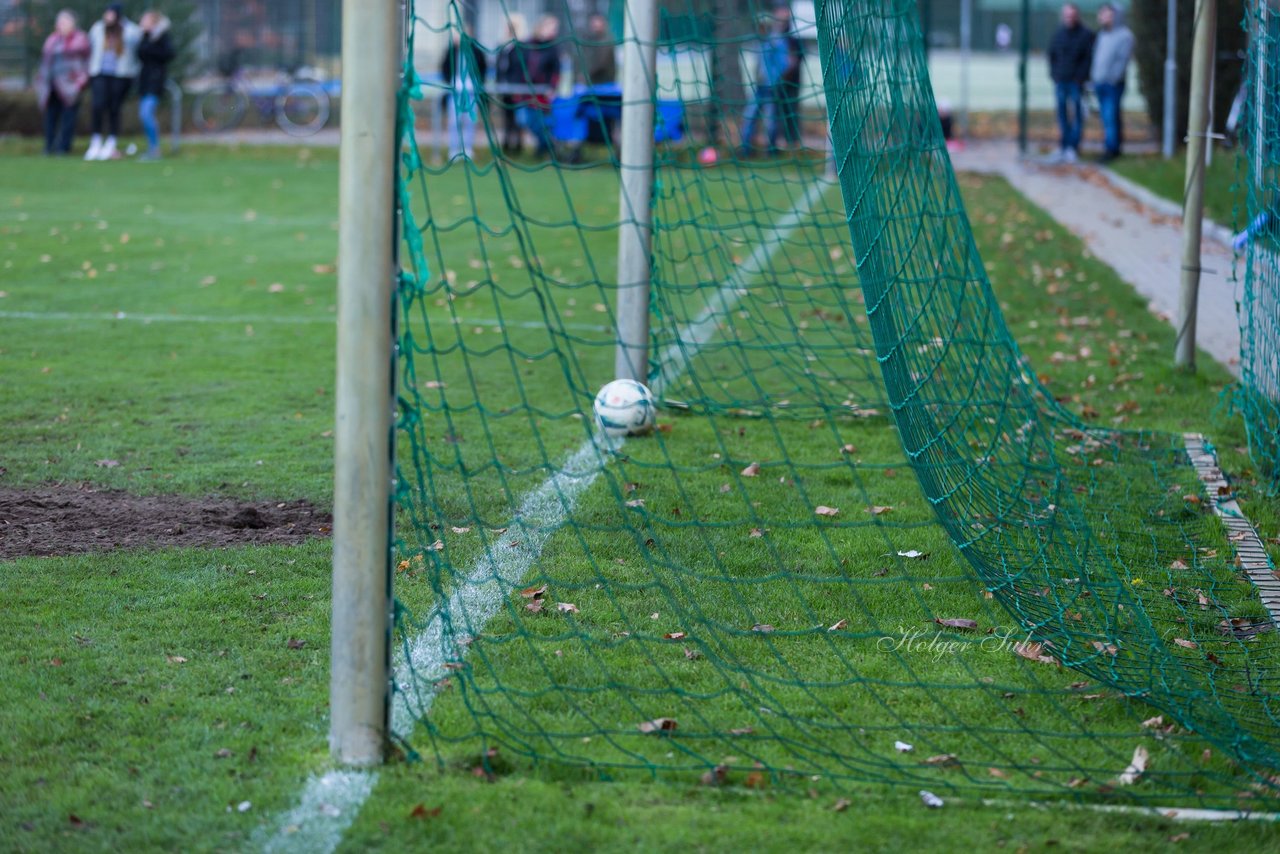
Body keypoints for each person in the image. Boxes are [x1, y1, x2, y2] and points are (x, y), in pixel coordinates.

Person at [85, 4, 142, 161]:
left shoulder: (129, 29)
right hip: (100, 73)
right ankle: (95, 142)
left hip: (121, 75)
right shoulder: (98, 28)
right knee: (97, 105)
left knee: (114, 108)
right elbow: (91, 46)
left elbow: (136, 42)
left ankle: (111, 142)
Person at [34, 10, 90, 156]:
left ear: (72, 23)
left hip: (71, 86)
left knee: (68, 118)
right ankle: (49, 146)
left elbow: (86, 63)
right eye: (59, 22)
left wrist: (80, 82)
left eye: (64, 22)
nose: (61, 25)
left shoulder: (80, 39)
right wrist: (41, 81)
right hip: (51, 86)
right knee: (50, 117)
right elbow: (45, 62)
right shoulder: (52, 40)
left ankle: (63, 148)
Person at [1046, 3, 1093, 164]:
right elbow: (1051, 55)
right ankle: (1063, 146)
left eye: (1072, 15)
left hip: (1076, 83)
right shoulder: (1059, 34)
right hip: (1061, 81)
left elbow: (1088, 58)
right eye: (1067, 15)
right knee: (1062, 115)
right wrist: (1054, 74)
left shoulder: (1086, 35)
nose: (1069, 18)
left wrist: (1080, 77)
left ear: (1077, 16)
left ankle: (1073, 147)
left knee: (1078, 115)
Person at [738, 13, 788, 157]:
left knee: (770, 120)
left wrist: (774, 79)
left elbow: (783, 64)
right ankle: (745, 150)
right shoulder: (759, 42)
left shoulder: (776, 42)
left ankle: (771, 151)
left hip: (771, 88)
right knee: (749, 117)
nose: (760, 29)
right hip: (758, 87)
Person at [1090, 3, 1134, 163]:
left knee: (1110, 116)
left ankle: (1111, 150)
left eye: (1107, 14)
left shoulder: (1125, 35)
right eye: (1101, 13)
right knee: (1107, 117)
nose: (1102, 17)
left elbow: (1122, 61)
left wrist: (1112, 78)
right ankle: (1111, 147)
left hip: (1113, 85)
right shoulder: (1102, 35)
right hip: (1099, 83)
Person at [440, 24, 488, 161]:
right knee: (454, 121)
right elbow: (444, 68)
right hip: (455, 92)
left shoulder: (476, 51)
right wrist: (449, 83)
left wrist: (478, 84)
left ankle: (467, 149)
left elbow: (483, 68)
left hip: (471, 92)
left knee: (470, 121)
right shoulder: (450, 51)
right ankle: (454, 150)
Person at [136, 10, 175, 162]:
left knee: (146, 114)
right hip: (144, 81)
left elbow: (169, 54)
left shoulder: (161, 37)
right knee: (144, 115)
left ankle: (155, 149)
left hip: (155, 81)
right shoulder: (144, 37)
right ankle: (152, 148)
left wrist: (151, 47)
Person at [524, 15, 563, 157]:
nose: (554, 31)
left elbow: (556, 71)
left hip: (543, 94)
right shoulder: (528, 45)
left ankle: (547, 149)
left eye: (555, 29)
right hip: (526, 92)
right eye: (551, 28)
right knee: (526, 120)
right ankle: (545, 147)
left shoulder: (553, 49)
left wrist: (552, 88)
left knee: (541, 122)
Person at [494, 14, 529, 155]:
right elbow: (499, 66)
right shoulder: (502, 46)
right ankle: (507, 144)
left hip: (518, 87)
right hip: (505, 88)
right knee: (507, 116)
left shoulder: (523, 46)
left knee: (518, 117)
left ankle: (518, 146)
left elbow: (522, 67)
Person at [773, 5, 805, 150]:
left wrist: (791, 65)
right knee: (778, 112)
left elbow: (799, 58)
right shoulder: (774, 38)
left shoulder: (794, 38)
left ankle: (792, 141)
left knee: (791, 111)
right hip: (778, 82)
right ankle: (778, 141)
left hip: (792, 82)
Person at [580, 13, 616, 86]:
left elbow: (601, 62)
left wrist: (586, 75)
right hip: (595, 81)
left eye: (596, 25)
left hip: (604, 81)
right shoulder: (591, 39)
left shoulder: (606, 40)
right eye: (593, 25)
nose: (594, 27)